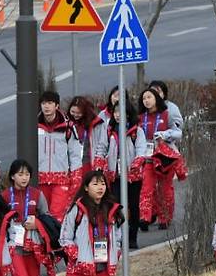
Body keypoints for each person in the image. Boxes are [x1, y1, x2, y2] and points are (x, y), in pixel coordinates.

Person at [3, 159, 60, 276]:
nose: (24, 178)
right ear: (12, 176)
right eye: (20, 174)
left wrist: (36, 223)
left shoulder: (37, 195)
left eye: (27, 174)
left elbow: (48, 218)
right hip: (14, 247)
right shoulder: (4, 196)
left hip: (33, 247)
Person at [137, 88, 187, 230]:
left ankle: (164, 218)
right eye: (144, 98)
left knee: (165, 188)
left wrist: (165, 134)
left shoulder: (167, 114)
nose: (146, 101)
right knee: (146, 187)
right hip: (147, 156)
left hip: (165, 157)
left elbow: (178, 133)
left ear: (156, 99)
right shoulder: (140, 117)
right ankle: (144, 218)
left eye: (149, 97)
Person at [104, 99, 146, 248]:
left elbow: (142, 150)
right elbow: (102, 148)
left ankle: (132, 237)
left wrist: (135, 165)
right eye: (115, 112)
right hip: (115, 176)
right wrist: (99, 163)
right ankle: (118, 236)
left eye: (120, 112)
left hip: (133, 177)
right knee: (116, 206)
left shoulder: (137, 131)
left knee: (133, 206)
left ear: (128, 114)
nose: (117, 115)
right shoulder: (109, 130)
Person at [38, 91, 82, 221]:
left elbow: (74, 154)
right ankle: (45, 241)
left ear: (57, 106)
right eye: (44, 103)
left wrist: (76, 177)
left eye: (50, 103)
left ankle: (57, 241)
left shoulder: (68, 127)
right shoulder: (34, 125)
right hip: (40, 178)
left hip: (61, 179)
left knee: (58, 215)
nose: (46, 106)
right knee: (42, 215)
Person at [67, 96, 108, 179]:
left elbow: (102, 144)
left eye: (79, 113)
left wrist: (98, 162)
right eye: (73, 112)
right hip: (72, 165)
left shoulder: (97, 124)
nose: (75, 115)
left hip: (89, 162)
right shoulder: (67, 124)